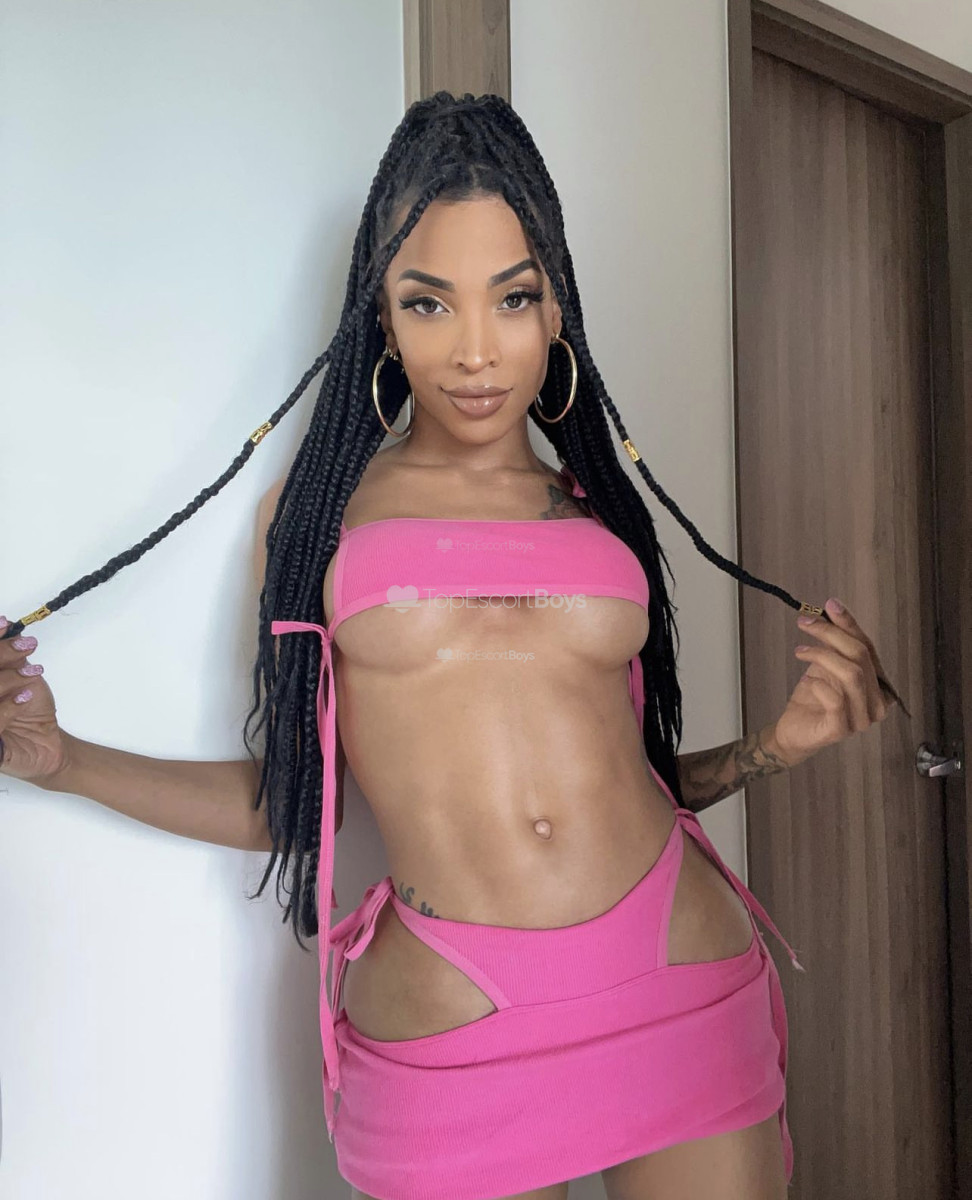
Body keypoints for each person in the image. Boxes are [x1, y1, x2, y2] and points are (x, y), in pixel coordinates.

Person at [1, 91, 900, 1200]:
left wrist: (775, 747)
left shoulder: (601, 508)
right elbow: (295, 810)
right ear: (381, 316)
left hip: (681, 977)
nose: (476, 353)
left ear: (556, 306)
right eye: (429, 303)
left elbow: (629, 779)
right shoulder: (317, 519)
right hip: (454, 1016)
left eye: (512, 298)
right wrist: (64, 762)